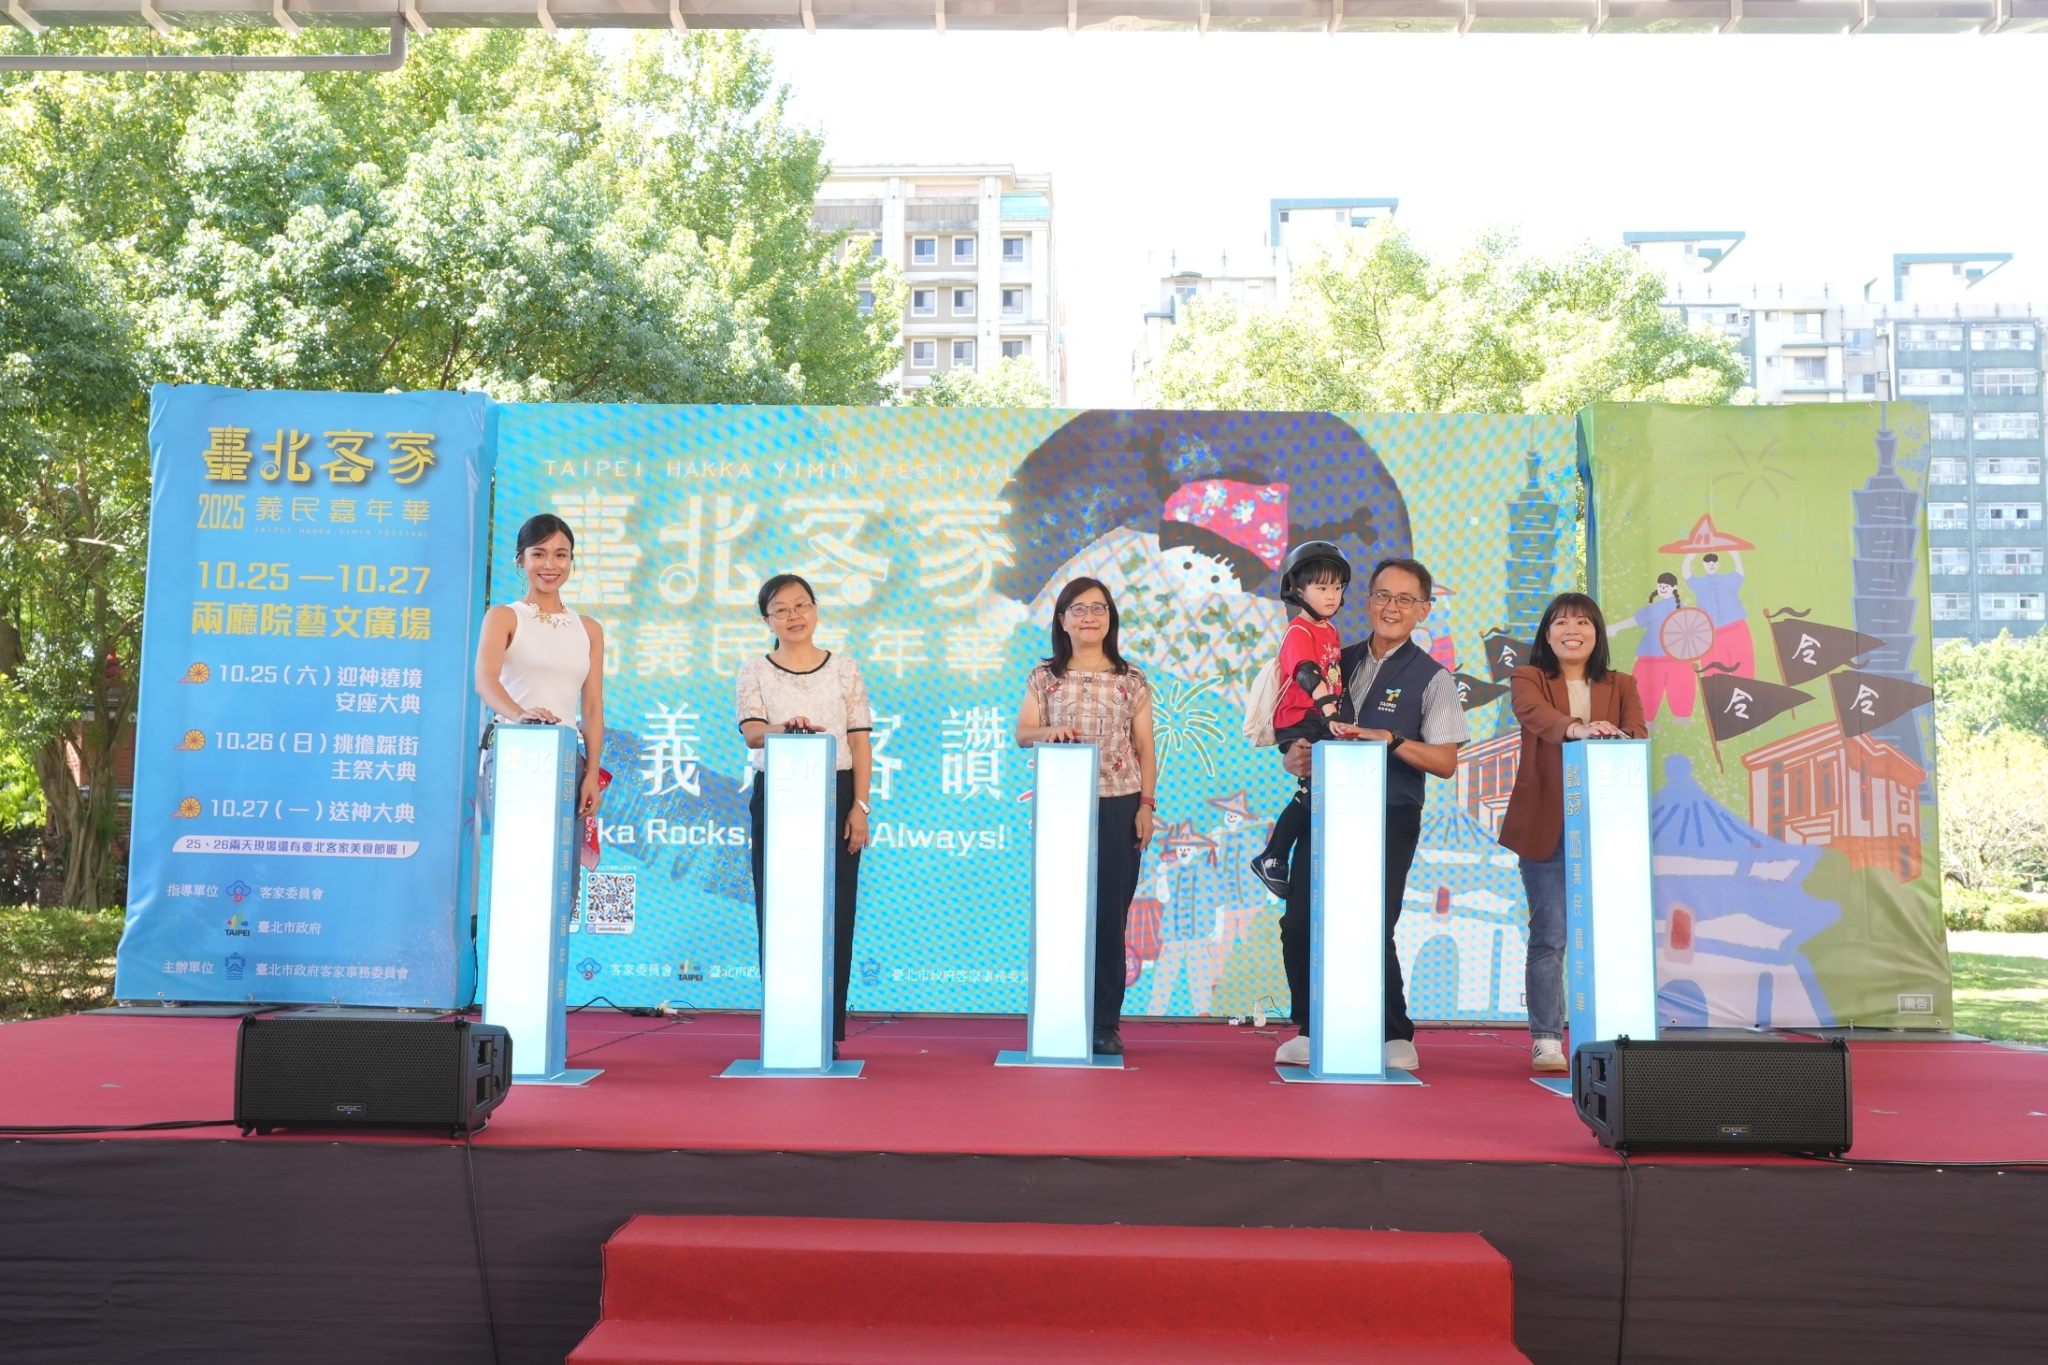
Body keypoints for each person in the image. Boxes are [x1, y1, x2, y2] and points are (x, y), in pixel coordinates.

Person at [1273, 558, 1467, 1072]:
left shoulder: (1433, 677)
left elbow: (1445, 762)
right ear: (1367, 601)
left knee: (1372, 921)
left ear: (1424, 610)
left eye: (1405, 599)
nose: (1392, 607)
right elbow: (1297, 727)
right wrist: (1293, 754)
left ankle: (1392, 1032)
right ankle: (1312, 1026)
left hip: (1390, 811)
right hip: (1325, 810)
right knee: (1300, 920)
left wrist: (1391, 739)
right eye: (1383, 595)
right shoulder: (1335, 659)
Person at [1497, 593, 1648, 1074]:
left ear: (1597, 634)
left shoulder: (1623, 684)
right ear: (1547, 634)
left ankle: (1614, 1033)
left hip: (1609, 830)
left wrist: (1616, 737)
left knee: (1610, 934)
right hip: (1546, 823)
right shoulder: (1528, 678)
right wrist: (1579, 729)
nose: (1572, 631)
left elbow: (1637, 733)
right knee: (1551, 934)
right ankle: (1546, 1039)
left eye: (1583, 622)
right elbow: (1534, 716)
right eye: (1561, 622)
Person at [1015, 577, 1159, 1057]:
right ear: (1062, 620)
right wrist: (1050, 731)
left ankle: (1104, 1024)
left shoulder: (1131, 678)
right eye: (1078, 609)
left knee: (1109, 917)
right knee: (1062, 913)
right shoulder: (1044, 676)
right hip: (1062, 807)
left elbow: (1145, 748)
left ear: (1110, 619)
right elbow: (1023, 733)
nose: (1089, 617)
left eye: (1099, 608)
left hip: (1120, 803)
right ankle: (1060, 1015)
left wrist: (1146, 805)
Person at [736, 574, 875, 1056]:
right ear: (767, 620)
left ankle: (824, 1028)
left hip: (837, 791)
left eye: (802, 605)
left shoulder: (845, 669)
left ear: (816, 609)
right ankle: (785, 1024)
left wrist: (860, 806)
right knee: (779, 908)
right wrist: (785, 727)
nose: (794, 616)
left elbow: (859, 741)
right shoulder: (755, 669)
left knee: (836, 910)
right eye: (781, 609)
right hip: (779, 792)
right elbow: (753, 733)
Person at [473, 511, 608, 822]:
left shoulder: (589, 629)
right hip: (514, 754)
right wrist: (522, 716)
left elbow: (591, 707)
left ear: (571, 561)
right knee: (518, 848)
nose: (550, 565)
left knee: (562, 852)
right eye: (538, 554)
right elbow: (485, 681)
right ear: (520, 560)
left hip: (567, 761)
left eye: (560, 555)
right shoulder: (504, 617)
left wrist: (592, 773)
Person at [1249, 540, 1362, 899]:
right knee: (1314, 792)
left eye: (1337, 587)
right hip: (1302, 719)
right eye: (1321, 587)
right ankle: (1272, 855)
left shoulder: (1329, 630)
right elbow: (1307, 673)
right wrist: (1331, 713)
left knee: (1316, 793)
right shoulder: (1299, 631)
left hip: (1319, 717)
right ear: (1297, 590)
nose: (1331, 596)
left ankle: (1276, 856)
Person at [1611, 572, 1695, 722]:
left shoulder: (1681, 609)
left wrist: (1615, 628)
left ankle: (1680, 717)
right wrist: (1615, 628)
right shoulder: (1656, 608)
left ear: (1674, 587)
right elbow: (1634, 620)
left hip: (1676, 657)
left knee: (1680, 686)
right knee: (1646, 687)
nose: (1662, 588)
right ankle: (1650, 719)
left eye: (1666, 586)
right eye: (1660, 586)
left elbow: (1692, 631)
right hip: (1653, 655)